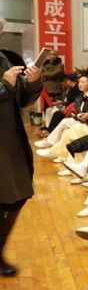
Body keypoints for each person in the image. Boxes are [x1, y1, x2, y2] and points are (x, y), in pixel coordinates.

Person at [0, 17, 42, 276]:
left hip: (10, 142)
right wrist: (5, 85)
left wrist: (32, 84)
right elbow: (6, 89)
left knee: (16, 197)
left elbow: (20, 100)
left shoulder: (4, 59)